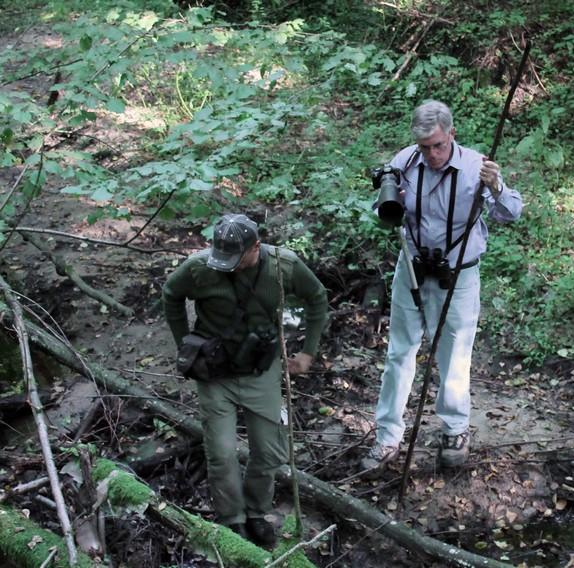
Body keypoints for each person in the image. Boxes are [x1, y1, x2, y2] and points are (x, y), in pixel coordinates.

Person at [361, 100, 523, 471]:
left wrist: (496, 186)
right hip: (412, 267)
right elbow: (381, 213)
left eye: (438, 145)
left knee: (454, 355)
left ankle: (454, 429)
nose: (432, 154)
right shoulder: (405, 162)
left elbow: (512, 213)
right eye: (425, 147)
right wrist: (390, 204)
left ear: (452, 134)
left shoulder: (476, 167)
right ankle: (387, 436)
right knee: (399, 352)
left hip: (458, 273)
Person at [162, 213, 328, 546]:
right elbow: (170, 294)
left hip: (260, 371)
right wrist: (184, 345)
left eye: (235, 258)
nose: (228, 266)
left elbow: (317, 297)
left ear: (256, 247)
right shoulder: (199, 267)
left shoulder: (283, 267)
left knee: (269, 451)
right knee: (222, 452)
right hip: (214, 372)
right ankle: (232, 519)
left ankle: (256, 511)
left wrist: (308, 353)